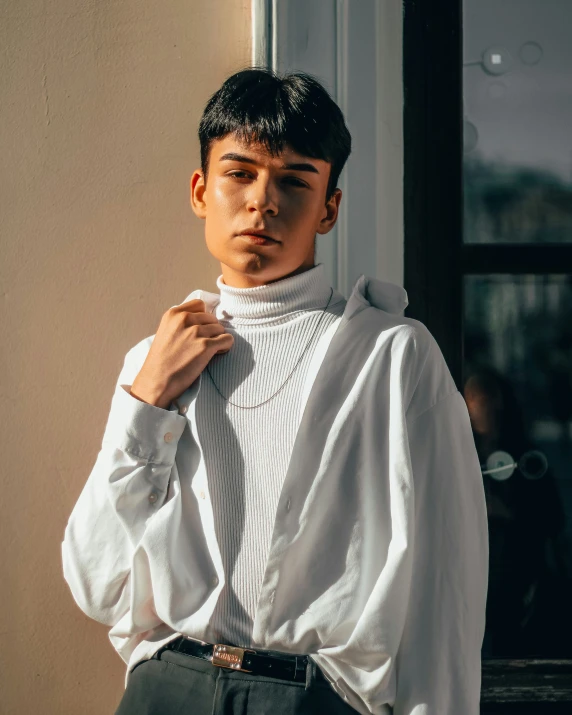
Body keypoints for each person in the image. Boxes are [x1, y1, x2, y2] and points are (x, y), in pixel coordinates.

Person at [61, 67, 489, 715]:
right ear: (201, 190)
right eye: (240, 173)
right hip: (166, 687)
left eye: (294, 180)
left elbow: (443, 590)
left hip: (314, 698)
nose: (263, 200)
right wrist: (145, 402)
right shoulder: (155, 359)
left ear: (329, 208)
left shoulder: (393, 356)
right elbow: (97, 582)